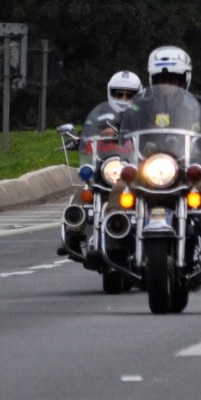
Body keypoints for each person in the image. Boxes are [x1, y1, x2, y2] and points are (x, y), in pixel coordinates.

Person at [108, 45, 201, 265]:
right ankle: (115, 241)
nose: (168, 85)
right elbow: (120, 124)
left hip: (186, 169)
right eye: (162, 79)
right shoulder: (138, 107)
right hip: (145, 169)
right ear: (153, 79)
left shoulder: (199, 106)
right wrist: (111, 129)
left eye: (173, 79)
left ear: (184, 80)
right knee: (119, 188)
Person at [59, 69, 143, 258]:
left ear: (138, 95)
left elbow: (156, 135)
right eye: (119, 94)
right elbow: (89, 133)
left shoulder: (144, 117)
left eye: (129, 95)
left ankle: (125, 232)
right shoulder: (101, 116)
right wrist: (79, 139)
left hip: (136, 174)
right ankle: (73, 233)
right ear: (110, 93)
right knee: (85, 191)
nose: (123, 98)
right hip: (107, 170)